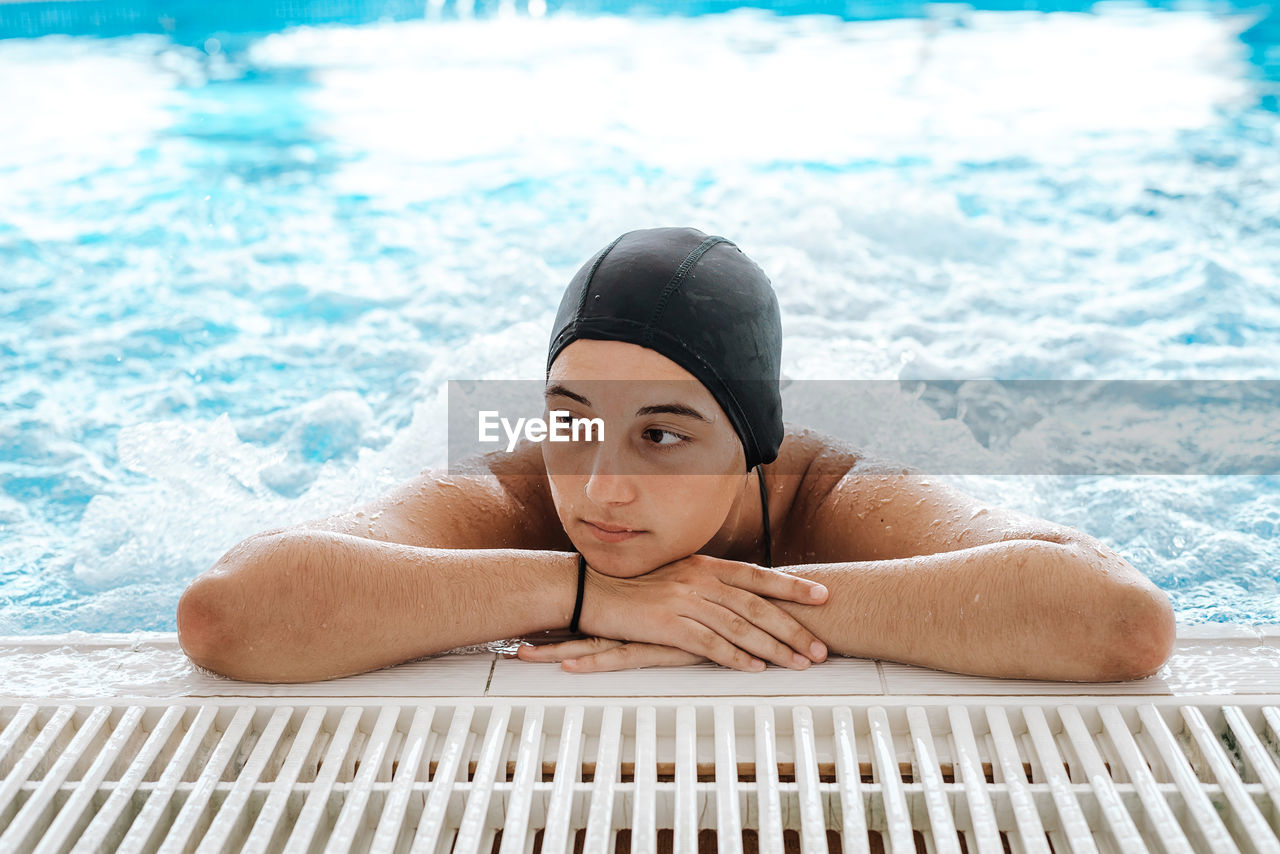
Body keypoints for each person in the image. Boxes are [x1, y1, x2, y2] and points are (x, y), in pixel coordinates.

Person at [176, 227, 1176, 684]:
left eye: (660, 434)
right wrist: (587, 593)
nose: (601, 485)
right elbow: (230, 610)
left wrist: (723, 602)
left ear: (750, 441)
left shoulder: (840, 492)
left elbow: (1118, 620)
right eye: (573, 417)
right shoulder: (514, 481)